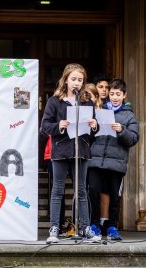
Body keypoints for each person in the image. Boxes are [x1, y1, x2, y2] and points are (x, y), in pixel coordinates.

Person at [40, 63, 100, 243]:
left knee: (81, 190)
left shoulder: (86, 102)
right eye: (73, 79)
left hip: (80, 150)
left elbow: (94, 131)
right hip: (61, 150)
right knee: (58, 190)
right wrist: (59, 125)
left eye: (80, 80)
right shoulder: (54, 101)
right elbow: (45, 127)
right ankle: (54, 228)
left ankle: (86, 227)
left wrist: (94, 126)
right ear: (65, 80)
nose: (77, 83)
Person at [88, 78, 139, 241]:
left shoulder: (129, 116)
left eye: (118, 94)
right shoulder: (98, 110)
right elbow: (88, 135)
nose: (115, 97)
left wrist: (122, 130)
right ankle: (94, 225)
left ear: (124, 95)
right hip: (95, 160)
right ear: (107, 95)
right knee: (93, 191)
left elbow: (133, 138)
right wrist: (93, 126)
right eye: (112, 94)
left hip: (116, 163)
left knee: (114, 195)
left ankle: (112, 227)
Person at [92, 74, 112, 233]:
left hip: (109, 153)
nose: (104, 90)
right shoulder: (89, 105)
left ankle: (105, 222)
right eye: (101, 87)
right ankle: (92, 222)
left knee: (107, 189)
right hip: (92, 152)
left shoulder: (112, 106)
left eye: (107, 87)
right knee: (92, 189)